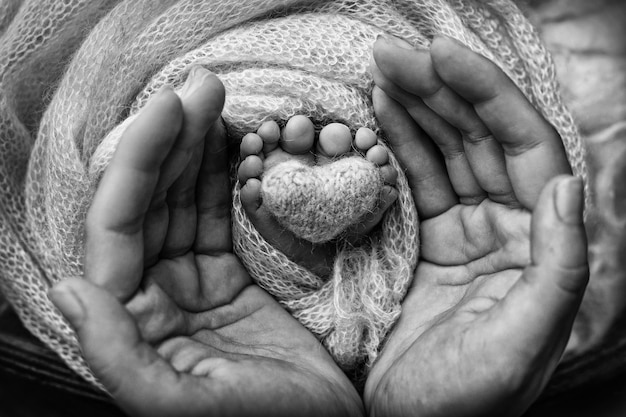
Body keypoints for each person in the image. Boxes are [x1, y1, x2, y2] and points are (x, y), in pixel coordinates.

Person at [48, 36, 589, 416]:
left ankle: (285, 268)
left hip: (234, 297)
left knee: (161, 164)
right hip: (422, 299)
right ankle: (312, 260)